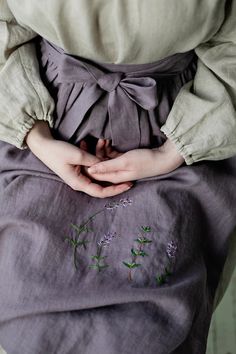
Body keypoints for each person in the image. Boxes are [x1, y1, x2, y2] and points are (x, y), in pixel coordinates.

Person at [0, 1, 236, 353]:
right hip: (40, 115)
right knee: (18, 298)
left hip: (180, 124)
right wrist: (35, 134)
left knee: (153, 320)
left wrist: (170, 152)